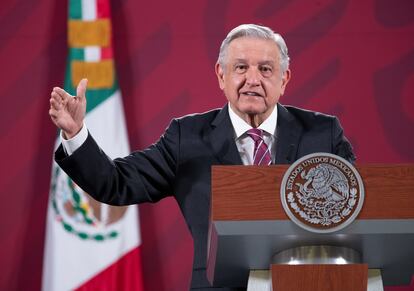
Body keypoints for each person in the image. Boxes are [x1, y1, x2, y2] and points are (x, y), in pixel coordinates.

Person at [49, 24, 355, 290]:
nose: (253, 79)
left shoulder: (322, 133)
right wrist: (76, 134)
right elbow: (116, 184)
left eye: (265, 69)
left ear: (284, 78)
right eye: (240, 68)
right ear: (221, 75)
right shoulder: (187, 137)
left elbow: (358, 212)